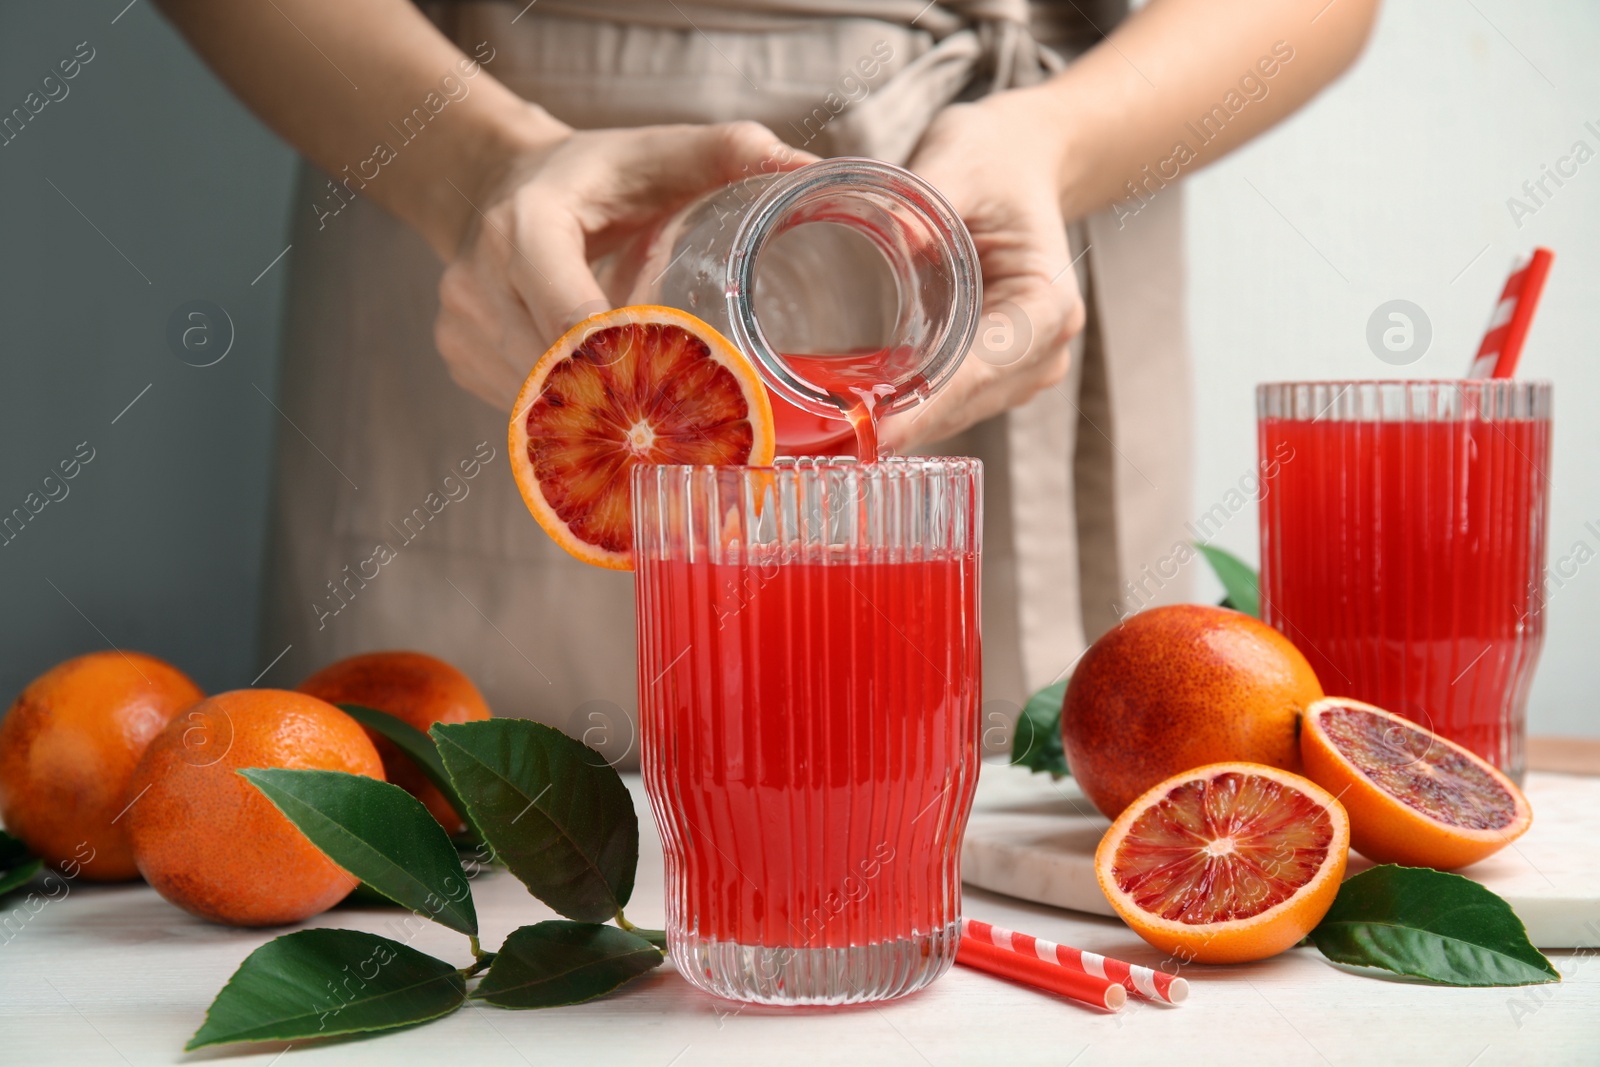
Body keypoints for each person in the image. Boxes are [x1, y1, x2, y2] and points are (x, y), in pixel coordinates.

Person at [155, 0, 1379, 758]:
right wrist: (472, 170)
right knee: (446, 845)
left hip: (1030, 201)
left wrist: (1060, 141)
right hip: (520, 195)